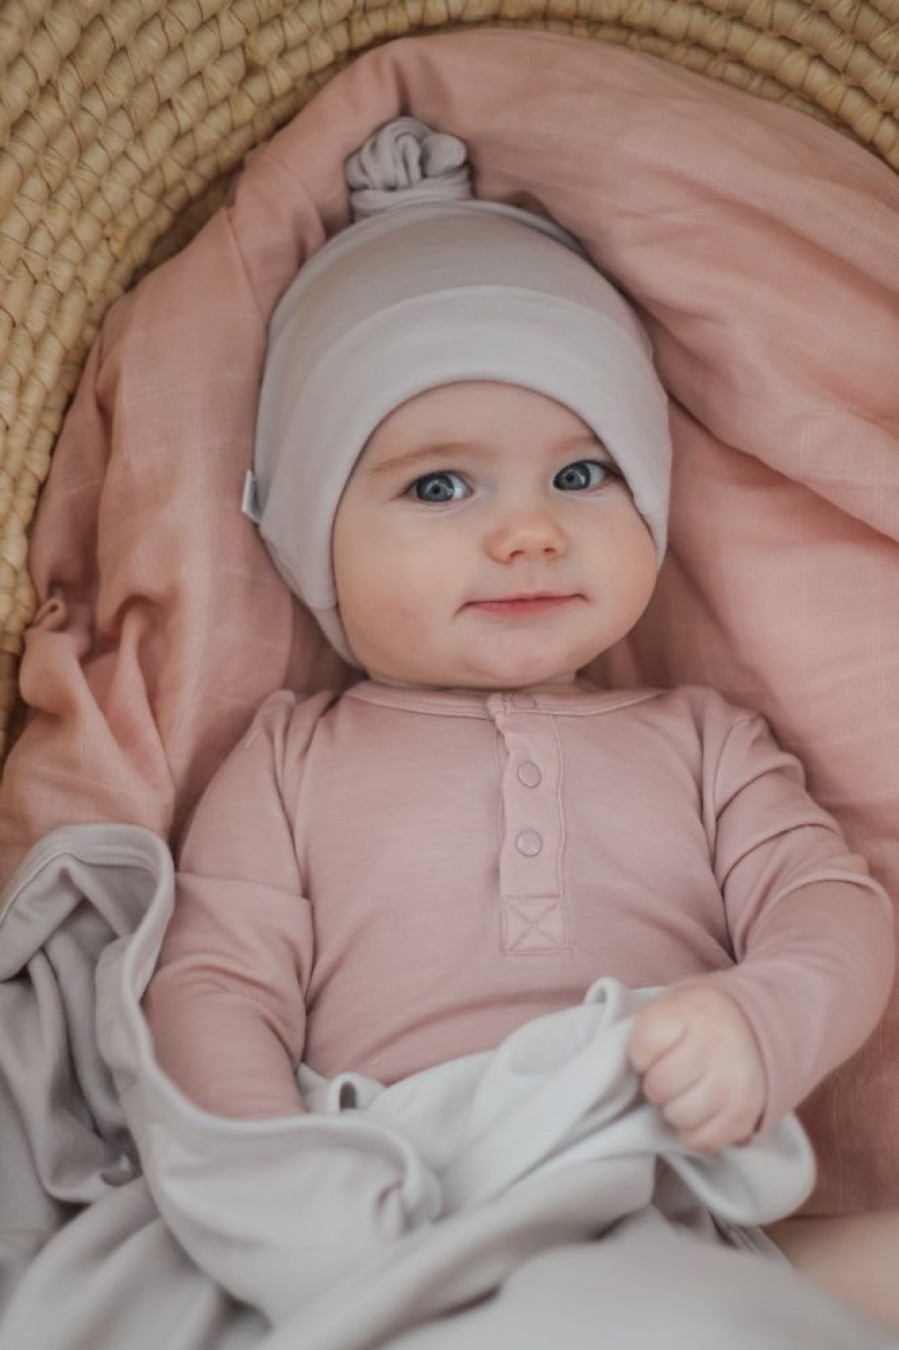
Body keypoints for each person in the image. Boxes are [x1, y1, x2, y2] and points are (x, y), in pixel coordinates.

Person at [142, 117, 895, 1313]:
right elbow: (213, 994)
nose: (530, 530)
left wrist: (761, 1026)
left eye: (581, 473)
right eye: (440, 485)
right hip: (400, 1188)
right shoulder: (289, 759)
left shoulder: (704, 742)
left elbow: (833, 911)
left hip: (662, 1192)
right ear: (307, 539)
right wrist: (296, 1200)